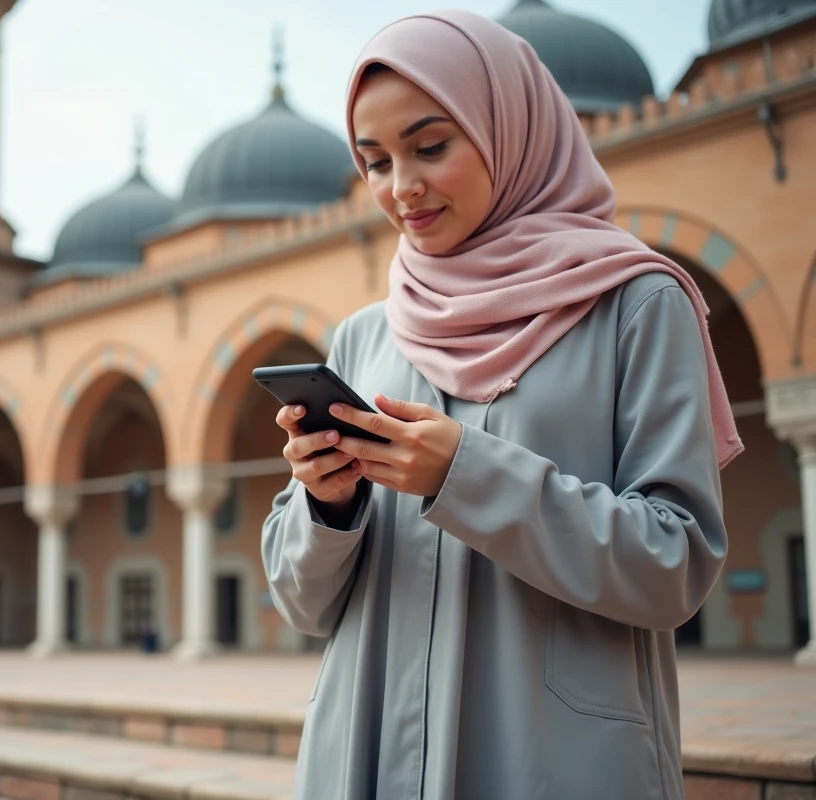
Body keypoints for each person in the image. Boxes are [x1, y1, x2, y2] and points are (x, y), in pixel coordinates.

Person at [261, 10, 743, 800]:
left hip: (550, 762)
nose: (401, 188)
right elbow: (301, 604)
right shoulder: (366, 336)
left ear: (507, 129)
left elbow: (675, 566)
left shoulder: (635, 305)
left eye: (431, 146)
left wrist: (470, 474)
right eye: (375, 161)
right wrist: (329, 505)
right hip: (369, 753)